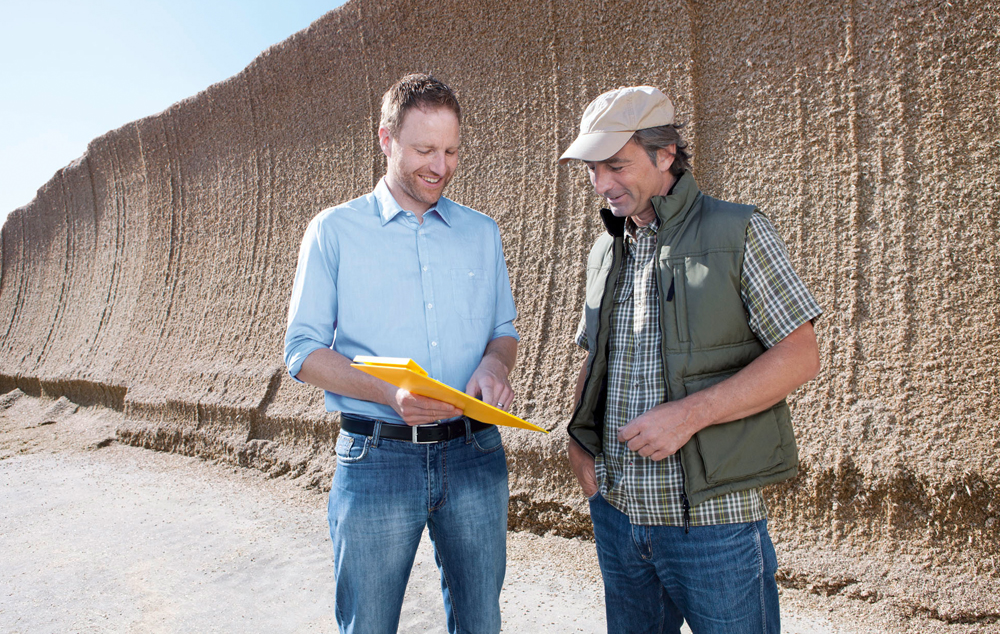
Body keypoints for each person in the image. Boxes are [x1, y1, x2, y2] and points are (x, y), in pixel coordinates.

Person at [559, 85, 822, 634]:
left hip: (711, 525)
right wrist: (577, 440)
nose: (601, 185)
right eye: (592, 170)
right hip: (617, 516)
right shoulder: (607, 249)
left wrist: (690, 414)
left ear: (665, 154)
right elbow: (595, 357)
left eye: (615, 165)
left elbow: (800, 356)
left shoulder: (739, 230)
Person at [284, 73, 519, 634]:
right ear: (385, 139)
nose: (440, 166)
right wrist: (392, 394)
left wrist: (494, 365)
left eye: (451, 151)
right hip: (377, 459)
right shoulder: (333, 231)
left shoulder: (482, 233)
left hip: (475, 455)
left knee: (481, 624)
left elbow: (503, 331)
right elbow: (302, 351)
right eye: (424, 150)